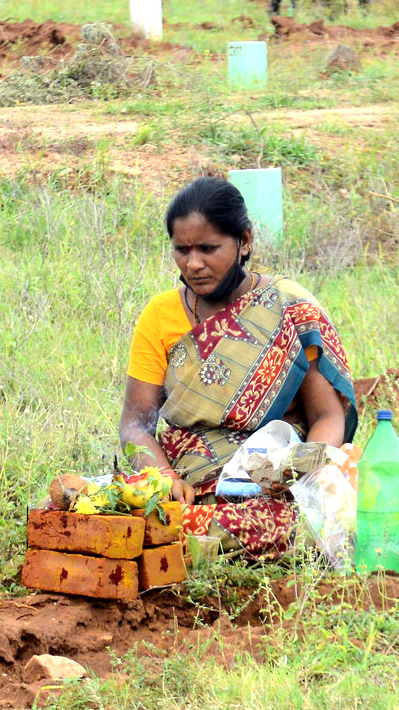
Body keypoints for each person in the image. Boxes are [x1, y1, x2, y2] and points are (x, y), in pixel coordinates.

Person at [119, 178, 357, 559]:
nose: (193, 263)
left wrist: (298, 472)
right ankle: (189, 536)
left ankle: (193, 543)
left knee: (292, 522)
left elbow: (327, 415)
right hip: (186, 481)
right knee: (110, 512)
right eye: (182, 250)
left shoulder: (289, 308)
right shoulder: (159, 315)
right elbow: (135, 425)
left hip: (270, 484)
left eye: (208, 248)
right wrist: (164, 480)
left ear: (244, 241)